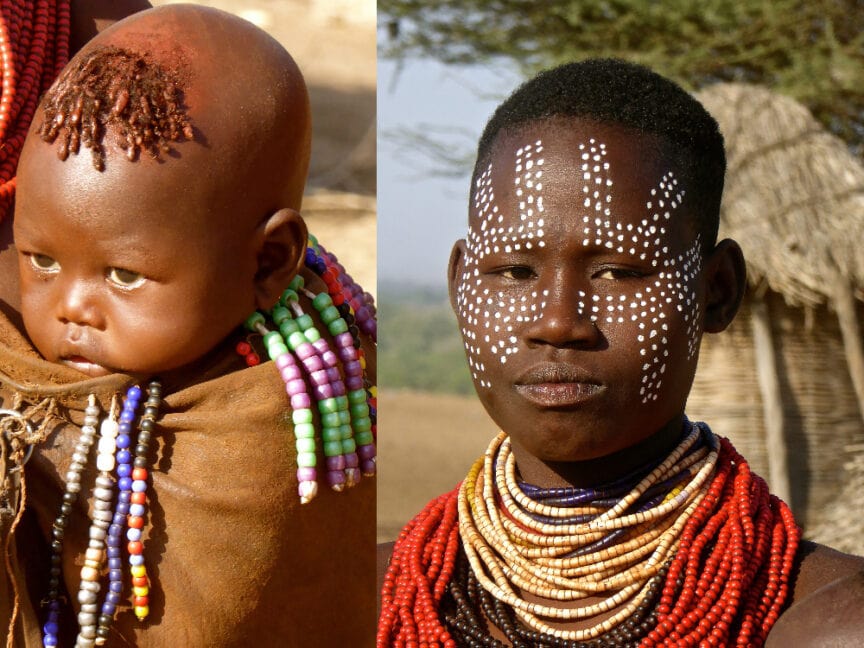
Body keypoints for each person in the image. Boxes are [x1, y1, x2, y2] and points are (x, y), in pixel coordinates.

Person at [377, 59, 864, 647]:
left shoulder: (821, 621)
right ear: (461, 287)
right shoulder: (371, 594)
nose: (557, 322)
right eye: (513, 271)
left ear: (716, 292)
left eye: (617, 272)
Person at [1, 5, 376, 647]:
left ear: (271, 261)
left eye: (122, 276)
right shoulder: (19, 369)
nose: (71, 309)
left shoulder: (276, 416)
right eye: (41, 260)